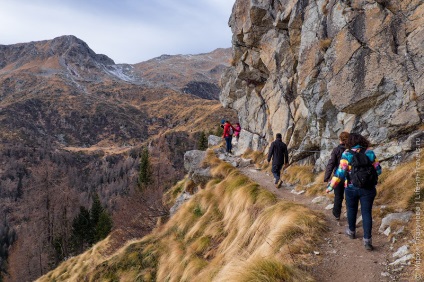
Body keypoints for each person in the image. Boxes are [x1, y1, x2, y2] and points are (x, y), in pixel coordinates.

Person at [326, 133, 382, 251]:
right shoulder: (369, 153)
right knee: (366, 212)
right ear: (362, 141)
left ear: (349, 142)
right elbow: (378, 170)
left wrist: (331, 186)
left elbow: (340, 173)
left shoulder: (346, 154)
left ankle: (351, 231)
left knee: (352, 209)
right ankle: (367, 241)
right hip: (368, 188)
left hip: (350, 187)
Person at [324, 131, 349, 220]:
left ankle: (336, 214)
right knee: (349, 196)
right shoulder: (350, 151)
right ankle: (349, 214)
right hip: (348, 177)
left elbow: (331, 164)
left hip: (338, 176)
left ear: (340, 140)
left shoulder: (336, 150)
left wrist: (327, 177)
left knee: (338, 196)